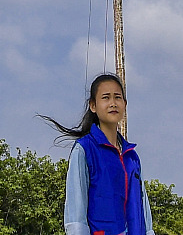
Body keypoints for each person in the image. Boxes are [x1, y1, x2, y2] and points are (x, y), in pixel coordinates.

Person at [45, 74, 151, 235]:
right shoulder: (85, 149)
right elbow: (76, 211)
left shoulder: (132, 157)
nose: (113, 103)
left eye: (117, 97)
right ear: (93, 105)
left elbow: (144, 210)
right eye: (106, 98)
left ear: (125, 104)